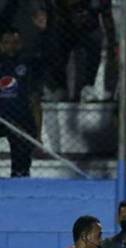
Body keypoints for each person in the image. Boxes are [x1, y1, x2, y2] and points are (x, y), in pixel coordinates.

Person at [44, 0, 115, 102]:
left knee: (95, 41)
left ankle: (88, 87)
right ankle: (59, 87)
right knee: (57, 45)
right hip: (66, 25)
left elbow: (107, 16)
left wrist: (112, 41)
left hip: (89, 27)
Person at [0, 26, 37, 177]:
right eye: (7, 42)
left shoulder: (27, 65)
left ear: (20, 44)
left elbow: (34, 98)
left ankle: (20, 174)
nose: (11, 46)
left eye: (15, 42)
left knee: (22, 144)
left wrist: (38, 133)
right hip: (1, 117)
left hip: (20, 118)